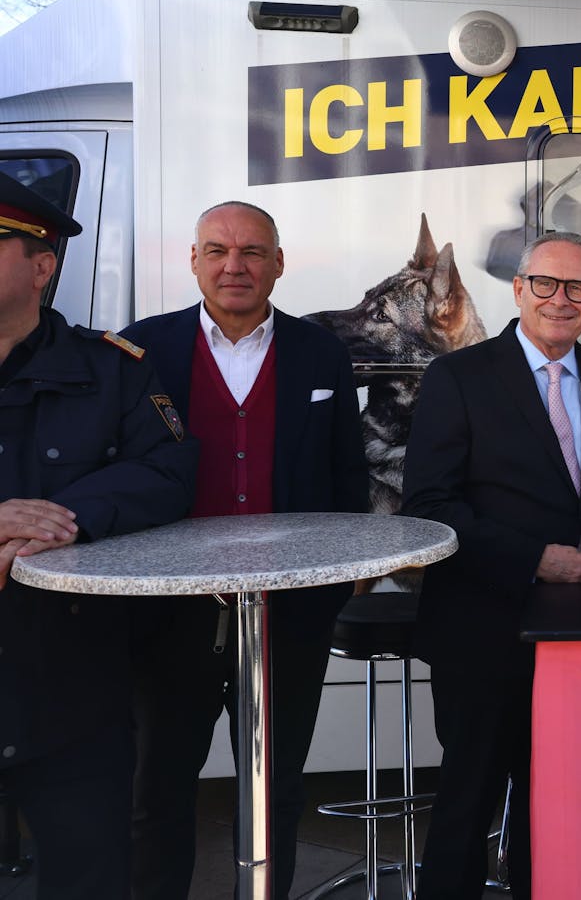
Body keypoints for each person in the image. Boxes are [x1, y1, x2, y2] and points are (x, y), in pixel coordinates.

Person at [120, 201, 368, 900]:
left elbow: (349, 472)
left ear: (279, 263)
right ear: (194, 260)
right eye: (219, 250)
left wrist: (344, 580)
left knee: (277, 788)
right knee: (158, 787)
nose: (237, 265)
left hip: (291, 614)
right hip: (171, 611)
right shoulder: (141, 349)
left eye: (254, 251)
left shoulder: (321, 352)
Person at [402, 231, 581, 898]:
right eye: (545, 283)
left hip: (580, 635)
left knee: (560, 807)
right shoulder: (459, 376)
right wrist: (539, 559)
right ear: (518, 288)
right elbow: (430, 505)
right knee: (467, 805)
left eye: (577, 288)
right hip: (484, 630)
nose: (559, 300)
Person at [0, 172, 197, 899]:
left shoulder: (112, 370)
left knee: (91, 880)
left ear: (41, 264)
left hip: (72, 690)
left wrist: (67, 515)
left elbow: (170, 468)